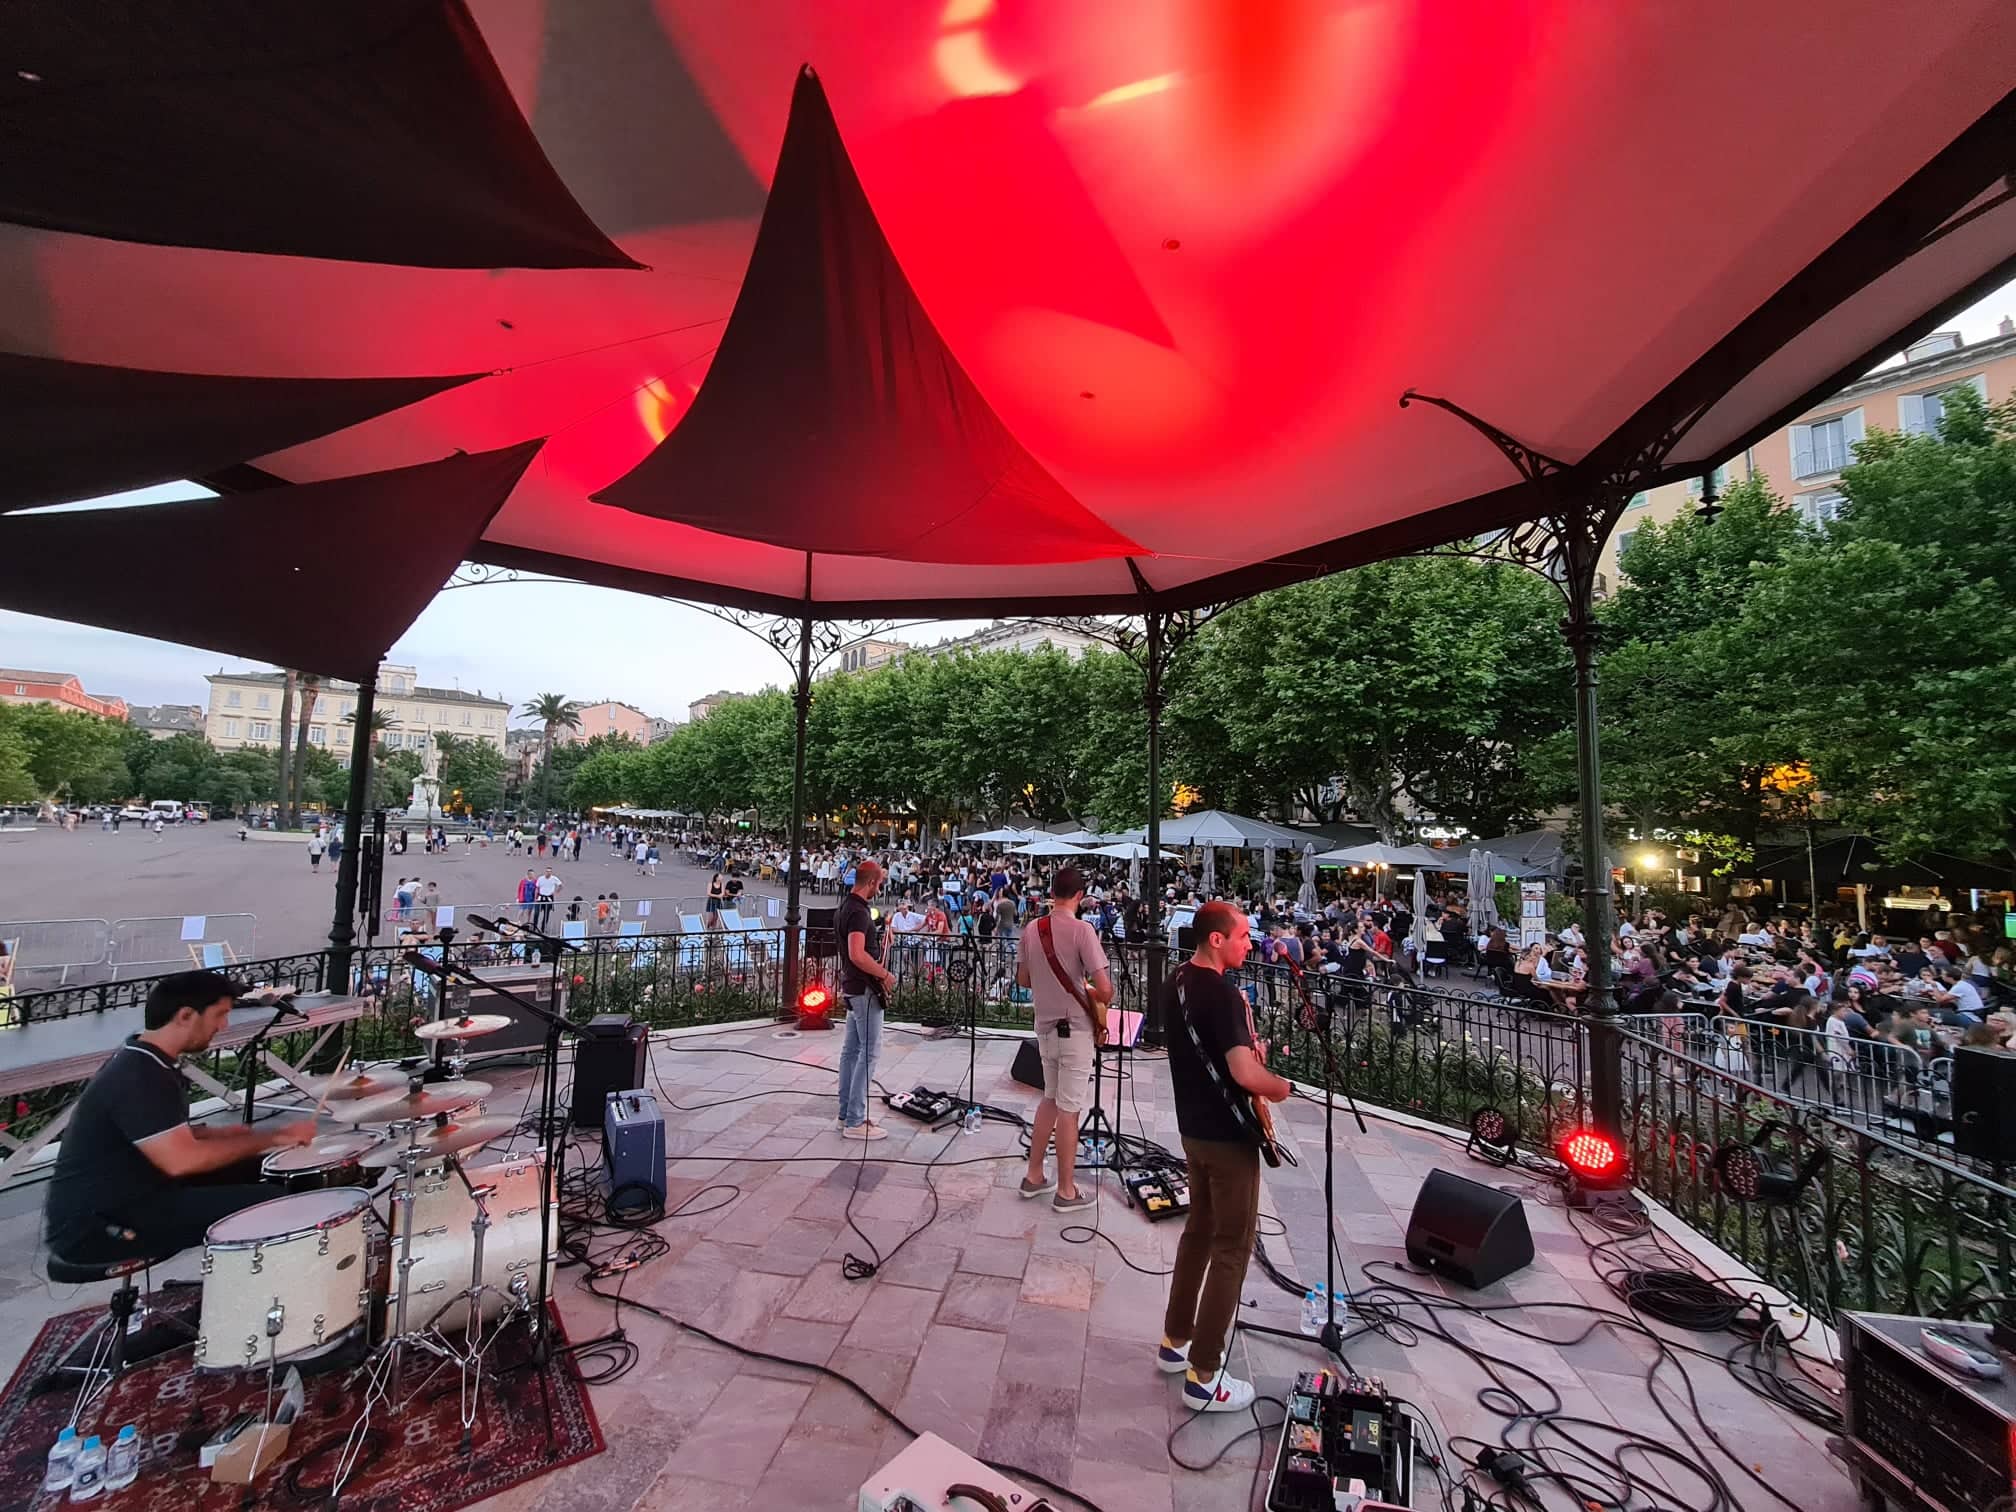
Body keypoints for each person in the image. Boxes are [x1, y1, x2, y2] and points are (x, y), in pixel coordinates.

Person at [43, 971, 317, 1264]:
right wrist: (276, 1137)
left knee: (268, 1168)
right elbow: (182, 1161)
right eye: (219, 1015)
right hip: (98, 1224)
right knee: (272, 1202)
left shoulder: (144, 1055)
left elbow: (147, 1130)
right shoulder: (139, 1074)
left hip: (138, 1188)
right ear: (185, 1015)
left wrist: (212, 1134)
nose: (223, 1025)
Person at [1156, 901, 1290, 1412]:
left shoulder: (1176, 980)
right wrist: (1280, 1086)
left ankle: (1175, 1341)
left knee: (1198, 1233)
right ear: (1217, 939)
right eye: (1243, 937)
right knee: (1232, 1247)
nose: (1250, 944)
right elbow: (1243, 1073)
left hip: (1192, 1130)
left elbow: (1207, 1052)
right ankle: (1205, 1375)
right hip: (1228, 1137)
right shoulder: (1224, 994)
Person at [1016, 867, 1115, 1213]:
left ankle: (1034, 1176)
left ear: (1052, 893)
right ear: (1079, 896)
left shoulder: (1032, 928)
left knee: (1050, 1099)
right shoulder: (1082, 930)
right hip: (1074, 1031)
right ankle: (1067, 1191)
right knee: (1070, 1111)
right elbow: (1106, 990)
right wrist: (1085, 990)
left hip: (1044, 1028)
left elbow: (1023, 980)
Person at [836, 859, 893, 1141]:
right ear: (870, 882)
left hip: (853, 987)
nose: (880, 888)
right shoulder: (859, 912)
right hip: (864, 990)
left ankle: (846, 1114)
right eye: (879, 883)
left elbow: (858, 950)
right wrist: (884, 974)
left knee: (851, 1052)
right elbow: (857, 954)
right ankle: (855, 1120)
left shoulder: (845, 907)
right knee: (868, 1054)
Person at [535, 866, 562, 931]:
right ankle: (534, 926)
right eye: (547, 871)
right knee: (536, 912)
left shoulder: (554, 878)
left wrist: (555, 892)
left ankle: (543, 928)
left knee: (546, 913)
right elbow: (537, 888)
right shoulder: (540, 878)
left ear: (551, 872)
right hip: (541, 897)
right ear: (545, 872)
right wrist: (535, 897)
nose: (548, 873)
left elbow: (560, 885)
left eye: (550, 871)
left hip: (549, 897)